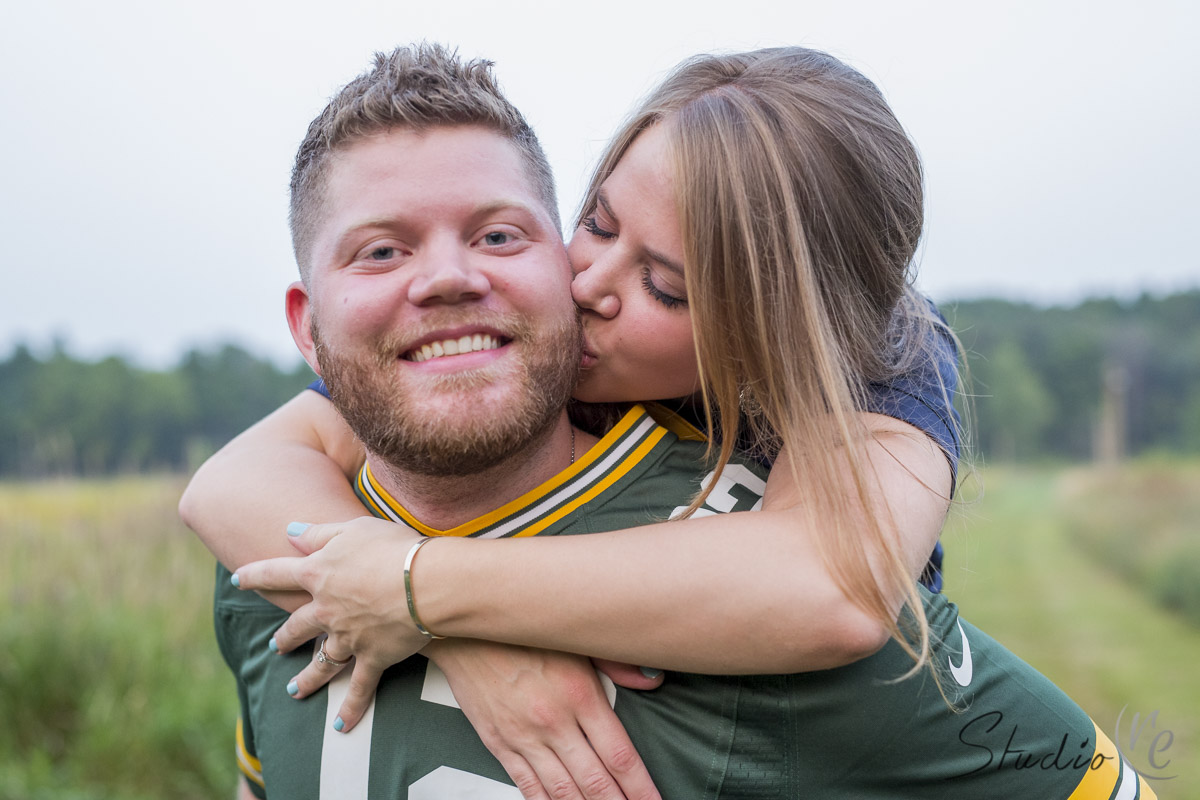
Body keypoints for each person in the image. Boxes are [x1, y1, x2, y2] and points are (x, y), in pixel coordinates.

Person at [207, 43, 1155, 800]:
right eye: (599, 224)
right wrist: (457, 636)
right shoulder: (444, 370)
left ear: (769, 343)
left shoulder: (884, 369)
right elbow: (230, 483)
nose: (588, 288)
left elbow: (833, 592)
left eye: (665, 286)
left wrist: (420, 591)